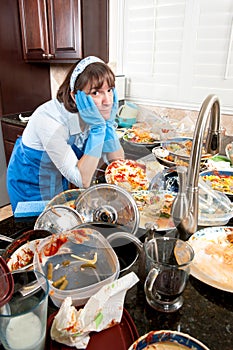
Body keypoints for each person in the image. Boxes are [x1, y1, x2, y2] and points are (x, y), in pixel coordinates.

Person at [7, 56, 124, 212]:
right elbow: (83, 180)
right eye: (96, 92)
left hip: (57, 179)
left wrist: (108, 126)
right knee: (37, 231)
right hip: (30, 187)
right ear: (75, 96)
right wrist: (98, 129)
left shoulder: (91, 115)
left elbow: (117, 164)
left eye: (109, 90)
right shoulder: (49, 120)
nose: (108, 101)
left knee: (59, 222)